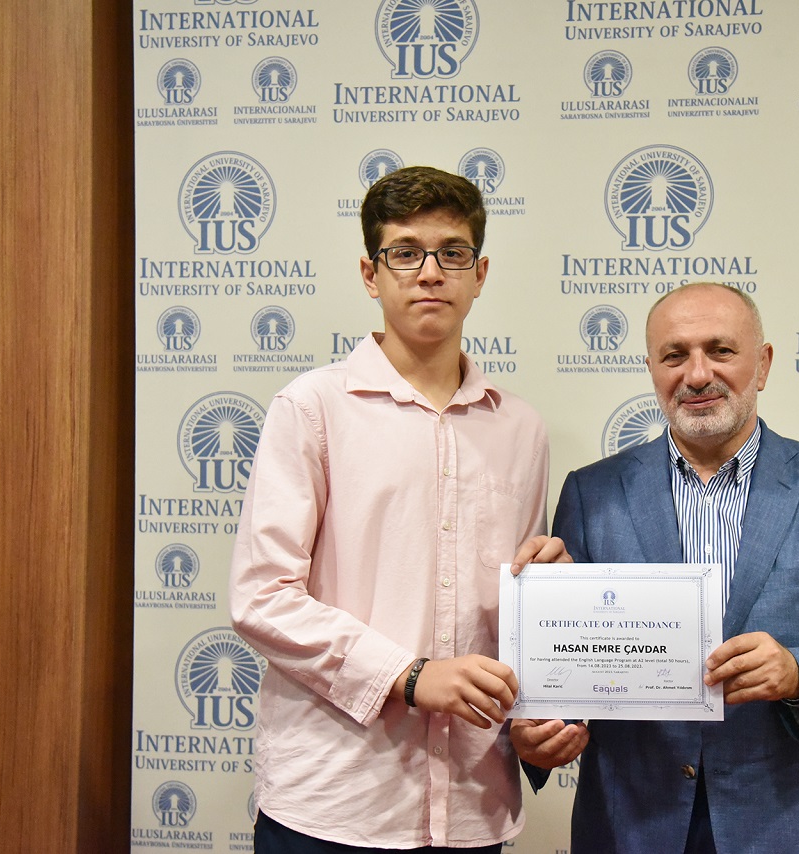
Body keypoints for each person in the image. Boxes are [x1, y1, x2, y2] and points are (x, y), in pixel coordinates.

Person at [513, 282, 799, 853]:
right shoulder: (592, 493)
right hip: (634, 826)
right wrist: (541, 731)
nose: (698, 374)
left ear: (764, 363)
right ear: (652, 369)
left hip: (797, 828)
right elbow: (573, 666)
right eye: (674, 355)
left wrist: (798, 673)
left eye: (721, 350)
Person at [229, 166, 566, 853]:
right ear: (370, 273)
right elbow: (262, 597)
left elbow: (509, 615)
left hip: (473, 801)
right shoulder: (312, 408)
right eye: (405, 252)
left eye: (452, 253)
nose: (430, 272)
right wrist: (408, 677)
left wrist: (548, 619)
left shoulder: (521, 429)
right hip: (335, 801)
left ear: (480, 273)